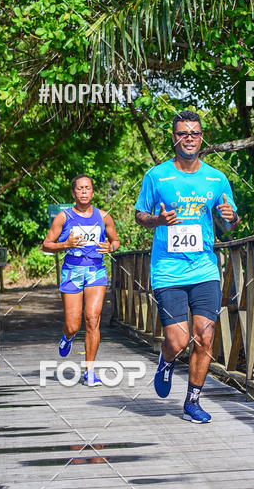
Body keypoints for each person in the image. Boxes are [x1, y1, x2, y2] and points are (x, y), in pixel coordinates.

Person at [135, 111, 239, 423]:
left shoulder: (216, 179)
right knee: (178, 341)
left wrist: (230, 217)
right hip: (168, 270)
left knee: (205, 337)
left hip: (205, 269)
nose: (189, 138)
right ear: (173, 137)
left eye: (194, 132)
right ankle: (166, 360)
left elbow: (230, 226)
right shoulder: (157, 176)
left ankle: (193, 401)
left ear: (202, 136)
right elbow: (140, 216)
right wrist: (157, 220)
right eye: (182, 133)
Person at [43, 175, 120, 384]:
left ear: (93, 192)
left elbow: (115, 240)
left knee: (93, 320)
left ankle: (90, 372)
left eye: (87, 188)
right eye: (80, 188)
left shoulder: (104, 217)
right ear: (73, 193)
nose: (84, 192)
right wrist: (65, 244)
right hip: (72, 271)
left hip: (96, 270)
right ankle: (67, 337)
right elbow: (46, 244)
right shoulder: (64, 217)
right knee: (73, 325)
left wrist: (111, 247)